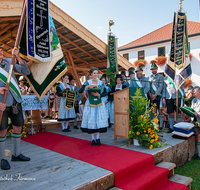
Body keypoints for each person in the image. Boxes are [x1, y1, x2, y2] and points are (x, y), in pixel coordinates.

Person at [0, 46, 31, 170]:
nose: (1, 52)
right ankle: (2, 158)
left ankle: (16, 154)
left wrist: (17, 56)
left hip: (15, 101)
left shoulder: (9, 61)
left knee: (18, 127)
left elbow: (26, 71)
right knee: (2, 131)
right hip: (1, 104)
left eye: (1, 51)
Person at [80, 67, 108, 146]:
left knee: (98, 119)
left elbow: (106, 92)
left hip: (99, 104)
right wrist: (87, 87)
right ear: (91, 74)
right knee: (91, 119)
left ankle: (98, 138)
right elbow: (80, 90)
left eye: (97, 73)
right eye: (94, 73)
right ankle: (92, 139)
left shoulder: (101, 83)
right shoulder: (87, 82)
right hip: (90, 104)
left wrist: (99, 95)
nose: (95, 74)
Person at [148, 61, 164, 129]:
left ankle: (161, 125)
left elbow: (161, 86)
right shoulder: (149, 77)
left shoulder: (160, 76)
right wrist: (150, 94)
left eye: (154, 69)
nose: (153, 70)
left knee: (160, 110)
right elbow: (148, 86)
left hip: (158, 96)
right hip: (151, 96)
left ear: (157, 69)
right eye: (152, 69)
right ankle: (153, 124)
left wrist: (155, 94)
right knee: (152, 110)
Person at [190, 86, 200, 160]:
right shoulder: (193, 100)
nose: (193, 95)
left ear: (199, 92)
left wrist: (198, 114)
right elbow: (192, 109)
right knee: (198, 137)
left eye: (194, 93)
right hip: (196, 121)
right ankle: (199, 155)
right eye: (192, 93)